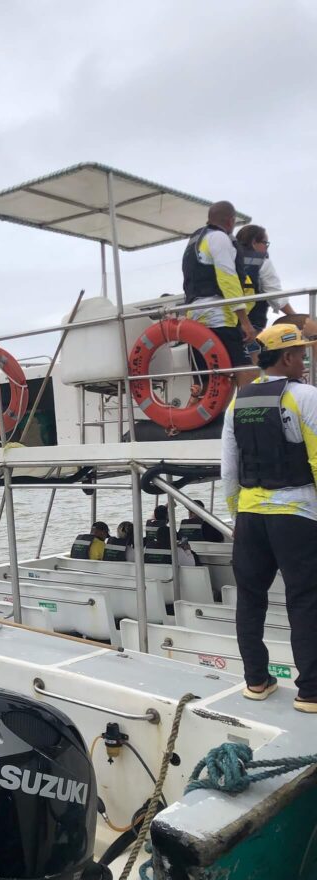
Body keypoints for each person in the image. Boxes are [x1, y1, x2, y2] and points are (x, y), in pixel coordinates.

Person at [221, 323, 317, 710]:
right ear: (289, 356)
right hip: (295, 514)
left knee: (250, 599)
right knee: (305, 601)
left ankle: (256, 682)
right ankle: (310, 691)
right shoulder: (306, 396)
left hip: (249, 517)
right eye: (302, 353)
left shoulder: (237, 401)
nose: (305, 359)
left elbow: (229, 468)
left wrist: (236, 515)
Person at [182, 200, 258, 386]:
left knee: (206, 379)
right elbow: (228, 279)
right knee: (244, 369)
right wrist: (245, 322)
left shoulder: (195, 242)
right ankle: (252, 412)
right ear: (231, 221)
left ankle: (213, 415)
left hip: (195, 319)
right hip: (219, 319)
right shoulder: (219, 238)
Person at [236, 224, 297, 333]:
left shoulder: (226, 258)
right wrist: (297, 318)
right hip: (251, 327)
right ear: (254, 242)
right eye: (265, 243)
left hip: (223, 324)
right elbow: (277, 299)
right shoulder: (263, 262)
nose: (266, 247)